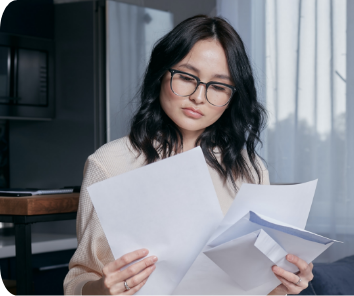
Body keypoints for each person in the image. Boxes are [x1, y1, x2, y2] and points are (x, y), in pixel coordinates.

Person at [64, 15, 313, 296]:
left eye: (218, 86)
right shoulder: (109, 163)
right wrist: (101, 290)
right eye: (186, 77)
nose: (198, 97)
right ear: (161, 74)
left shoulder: (250, 169)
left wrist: (283, 284)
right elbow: (79, 280)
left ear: (233, 97)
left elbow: (259, 286)